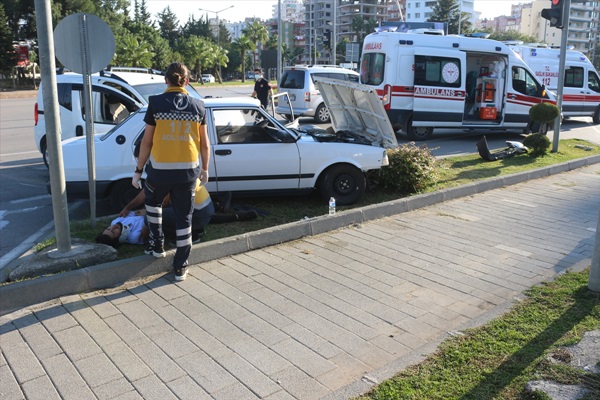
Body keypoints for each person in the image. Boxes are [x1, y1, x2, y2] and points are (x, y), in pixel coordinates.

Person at [132, 62, 210, 282]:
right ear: (187, 81)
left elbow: (147, 142)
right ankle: (180, 267)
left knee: (153, 206)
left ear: (165, 80)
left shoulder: (156, 103)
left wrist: (138, 171)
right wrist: (205, 169)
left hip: (159, 172)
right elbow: (205, 144)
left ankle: (157, 246)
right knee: (185, 218)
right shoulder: (198, 106)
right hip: (188, 173)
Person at [120, 180, 215, 244]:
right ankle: (195, 229)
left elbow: (162, 202)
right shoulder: (168, 166)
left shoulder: (167, 173)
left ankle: (191, 234)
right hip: (202, 210)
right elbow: (146, 191)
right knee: (152, 215)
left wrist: (147, 222)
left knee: (150, 218)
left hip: (198, 215)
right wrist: (128, 207)